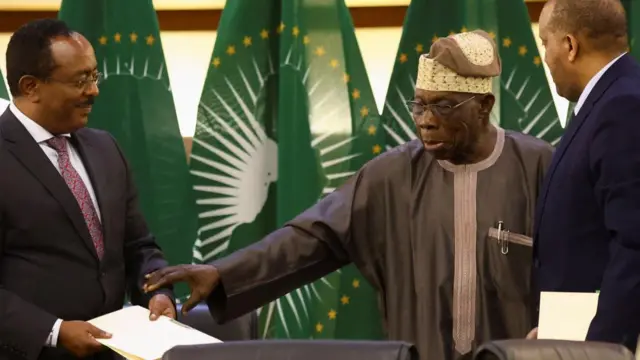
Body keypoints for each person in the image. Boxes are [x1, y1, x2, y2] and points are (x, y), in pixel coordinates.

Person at [145, 30, 554, 360]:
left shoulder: (539, 168)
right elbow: (310, 237)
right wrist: (224, 273)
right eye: (419, 106)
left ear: (483, 106)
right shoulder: (391, 176)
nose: (426, 122)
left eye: (443, 107)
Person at [0, 19, 176, 360]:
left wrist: (158, 292)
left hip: (115, 351)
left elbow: (139, 246)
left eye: (94, 76)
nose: (94, 90)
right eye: (81, 80)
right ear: (31, 86)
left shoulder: (105, 148)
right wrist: (53, 331)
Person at [530, 0, 640, 351]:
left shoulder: (623, 107)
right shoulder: (607, 101)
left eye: (545, 43)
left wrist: (597, 348)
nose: (545, 57)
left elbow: (633, 243)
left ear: (570, 46)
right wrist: (557, 329)